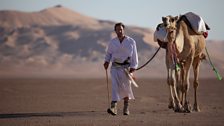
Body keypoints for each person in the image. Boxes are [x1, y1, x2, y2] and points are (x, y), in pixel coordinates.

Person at [104, 22, 138, 115]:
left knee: (126, 88)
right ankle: (113, 108)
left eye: (121, 29)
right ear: (115, 31)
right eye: (117, 29)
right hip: (115, 68)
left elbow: (134, 56)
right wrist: (106, 62)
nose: (119, 31)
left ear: (124, 30)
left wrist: (133, 67)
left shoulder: (131, 41)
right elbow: (109, 54)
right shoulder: (112, 42)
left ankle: (126, 108)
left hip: (126, 68)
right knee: (115, 87)